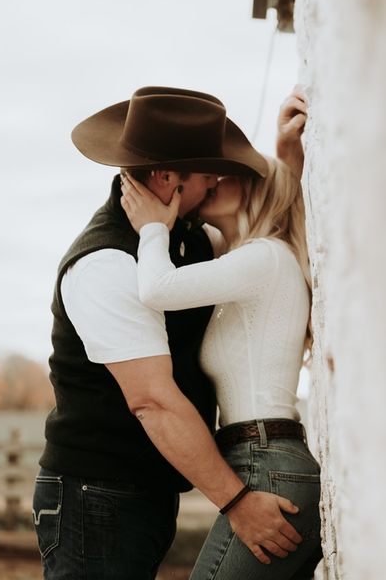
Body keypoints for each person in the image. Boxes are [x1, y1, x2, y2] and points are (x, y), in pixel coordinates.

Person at [32, 86, 304, 580]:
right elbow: (152, 401)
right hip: (95, 493)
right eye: (207, 175)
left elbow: (263, 235)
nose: (216, 183)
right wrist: (236, 501)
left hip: (145, 490)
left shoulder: (188, 237)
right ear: (166, 178)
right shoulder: (106, 263)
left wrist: (289, 160)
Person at [120, 88, 322, 579]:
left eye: (234, 174)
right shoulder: (245, 259)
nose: (215, 178)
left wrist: (151, 229)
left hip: (267, 459)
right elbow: (279, 196)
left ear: (260, 187)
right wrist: (287, 155)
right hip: (261, 459)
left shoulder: (265, 258)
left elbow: (158, 288)